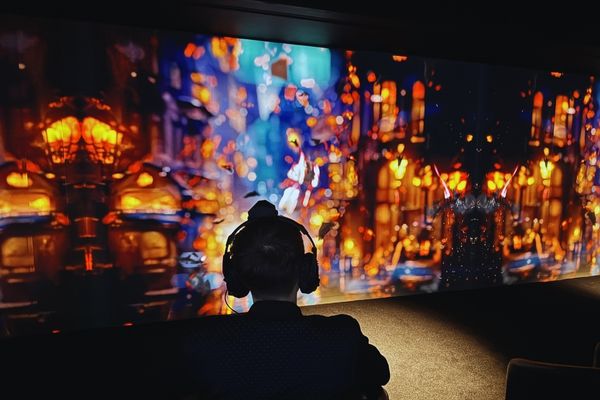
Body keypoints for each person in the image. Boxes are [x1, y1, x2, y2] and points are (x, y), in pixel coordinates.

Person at [176, 200, 390, 400]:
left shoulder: (205, 344)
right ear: (306, 271)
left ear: (235, 275)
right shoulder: (343, 335)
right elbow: (380, 374)